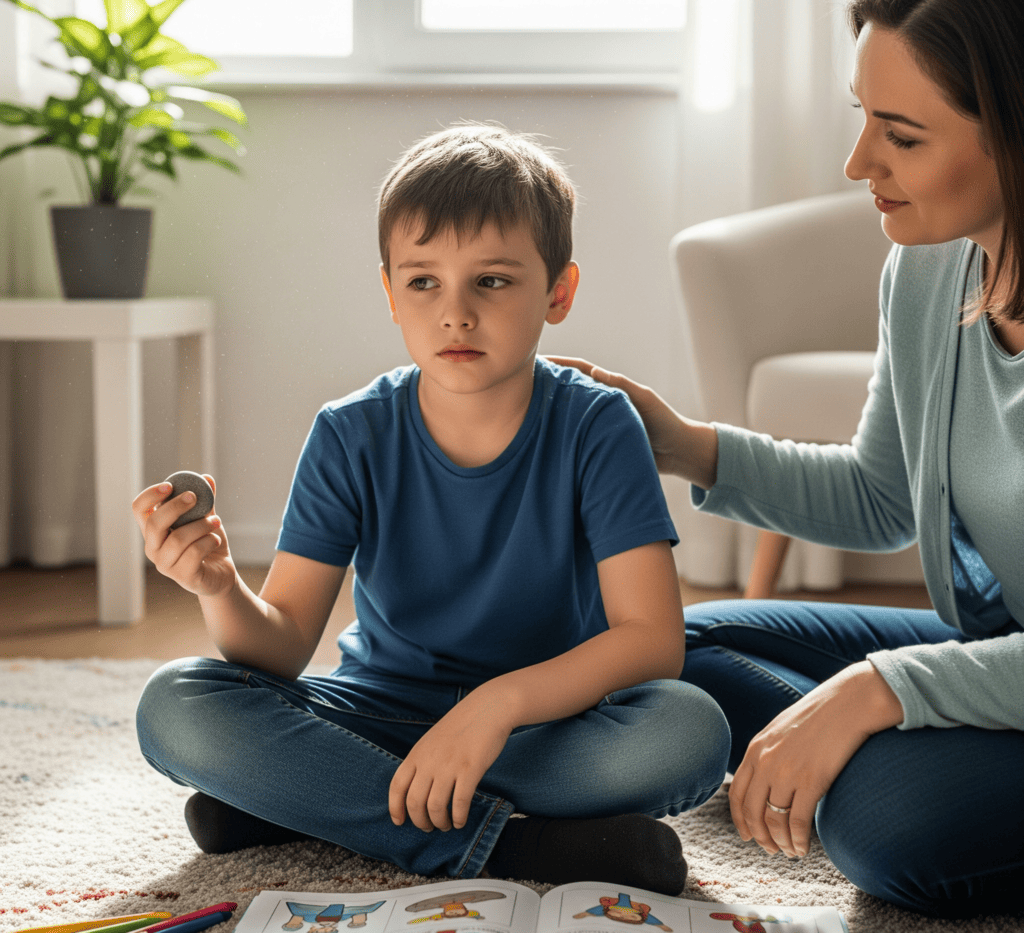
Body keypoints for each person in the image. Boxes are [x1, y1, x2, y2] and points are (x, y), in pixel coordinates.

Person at [131, 122, 729, 895]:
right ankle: (512, 846)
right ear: (389, 292)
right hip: (376, 715)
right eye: (424, 282)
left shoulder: (597, 423)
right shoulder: (349, 431)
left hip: (539, 727)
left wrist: (496, 703)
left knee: (687, 732)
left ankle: (314, 802)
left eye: (492, 281)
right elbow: (278, 648)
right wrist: (216, 585)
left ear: (559, 292)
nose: (455, 313)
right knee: (175, 703)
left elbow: (652, 642)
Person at [551, 0, 1024, 918]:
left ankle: (861, 769)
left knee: (888, 829)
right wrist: (680, 442)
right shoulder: (930, 269)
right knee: (667, 647)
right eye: (862, 118)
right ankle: (849, 756)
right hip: (989, 654)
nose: (860, 165)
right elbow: (881, 494)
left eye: (903, 136)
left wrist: (877, 688)